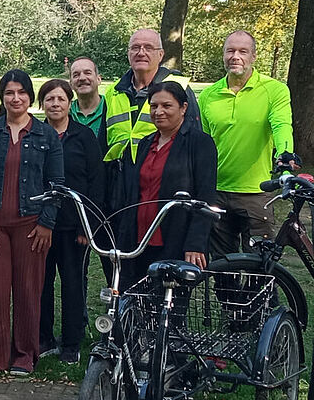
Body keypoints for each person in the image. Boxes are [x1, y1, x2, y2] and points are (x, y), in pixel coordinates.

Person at [0, 70, 64, 375]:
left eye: (21, 92)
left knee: (28, 291)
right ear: (2, 97)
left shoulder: (46, 135)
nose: (16, 98)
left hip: (31, 226)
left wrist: (47, 223)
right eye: (9, 92)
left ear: (30, 97)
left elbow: (56, 184)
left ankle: (25, 354)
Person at [199, 30, 294, 259]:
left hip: (257, 192)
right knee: (221, 264)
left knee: (260, 264)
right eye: (230, 51)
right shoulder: (208, 95)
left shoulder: (274, 90)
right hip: (217, 190)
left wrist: (285, 154)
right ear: (223, 55)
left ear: (254, 56)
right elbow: (204, 142)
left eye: (243, 51)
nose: (236, 56)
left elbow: (282, 125)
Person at [102, 29, 200, 232]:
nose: (141, 52)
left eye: (148, 48)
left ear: (160, 54)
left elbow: (193, 141)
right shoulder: (114, 91)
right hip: (119, 185)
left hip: (162, 183)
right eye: (135, 48)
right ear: (128, 53)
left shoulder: (178, 87)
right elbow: (104, 140)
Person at [36, 80, 104, 365]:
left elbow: (96, 181)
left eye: (60, 99)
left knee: (73, 284)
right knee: (41, 283)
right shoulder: (35, 133)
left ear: (69, 103)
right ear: (42, 104)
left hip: (74, 226)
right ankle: (43, 338)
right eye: (49, 99)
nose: (55, 104)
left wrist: (87, 226)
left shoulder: (84, 136)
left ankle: (71, 342)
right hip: (41, 224)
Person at [123, 81, 217, 284]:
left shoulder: (200, 143)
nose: (159, 112)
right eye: (154, 106)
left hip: (174, 240)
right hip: (139, 241)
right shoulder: (146, 143)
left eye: (166, 106)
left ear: (183, 108)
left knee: (168, 302)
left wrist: (195, 243)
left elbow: (206, 196)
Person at [68, 57, 105, 136]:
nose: (82, 78)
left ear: (98, 79)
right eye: (76, 75)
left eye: (87, 73)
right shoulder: (66, 112)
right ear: (71, 84)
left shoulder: (111, 108)